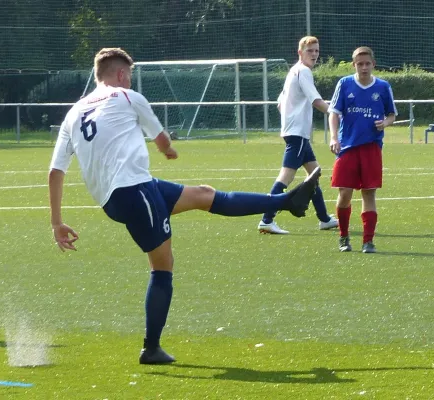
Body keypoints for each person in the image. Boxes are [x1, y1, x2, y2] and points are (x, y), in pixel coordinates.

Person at [48, 48, 321, 365]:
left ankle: (286, 200)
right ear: (121, 74)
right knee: (162, 268)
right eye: (129, 75)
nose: (130, 80)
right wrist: (170, 151)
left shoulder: (73, 113)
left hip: (123, 194)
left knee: (203, 195)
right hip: (135, 191)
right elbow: (162, 141)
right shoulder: (127, 97)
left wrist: (56, 223)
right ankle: (151, 348)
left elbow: (55, 171)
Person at [257, 36, 338, 234]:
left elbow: (279, 103)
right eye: (310, 51)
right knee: (286, 177)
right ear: (300, 52)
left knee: (314, 174)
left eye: (317, 51)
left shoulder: (293, 71)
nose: (314, 55)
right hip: (297, 134)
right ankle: (267, 219)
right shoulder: (303, 71)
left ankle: (324, 218)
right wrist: (338, 114)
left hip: (296, 133)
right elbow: (317, 101)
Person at [328, 46, 397, 253]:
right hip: (347, 146)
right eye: (360, 64)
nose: (364, 67)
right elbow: (334, 113)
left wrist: (385, 123)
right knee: (345, 193)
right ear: (354, 65)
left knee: (369, 193)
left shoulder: (383, 87)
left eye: (367, 64)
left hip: (371, 147)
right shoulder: (345, 84)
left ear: (373, 64)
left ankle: (368, 241)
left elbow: (391, 115)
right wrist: (333, 137)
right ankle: (344, 236)